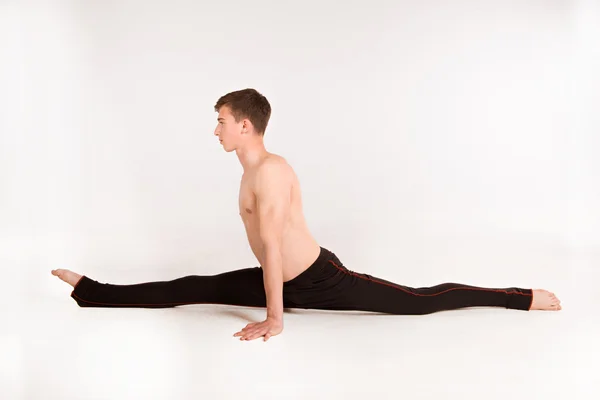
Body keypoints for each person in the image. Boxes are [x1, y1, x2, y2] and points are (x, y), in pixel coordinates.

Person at [52, 88, 562, 342]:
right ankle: (92, 290)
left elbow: (273, 245)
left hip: (321, 280)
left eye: (221, 122)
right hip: (280, 279)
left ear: (246, 126)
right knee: (193, 285)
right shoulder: (248, 170)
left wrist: (274, 318)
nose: (216, 131)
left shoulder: (270, 172)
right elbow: (266, 252)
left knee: (418, 301)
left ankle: (521, 298)